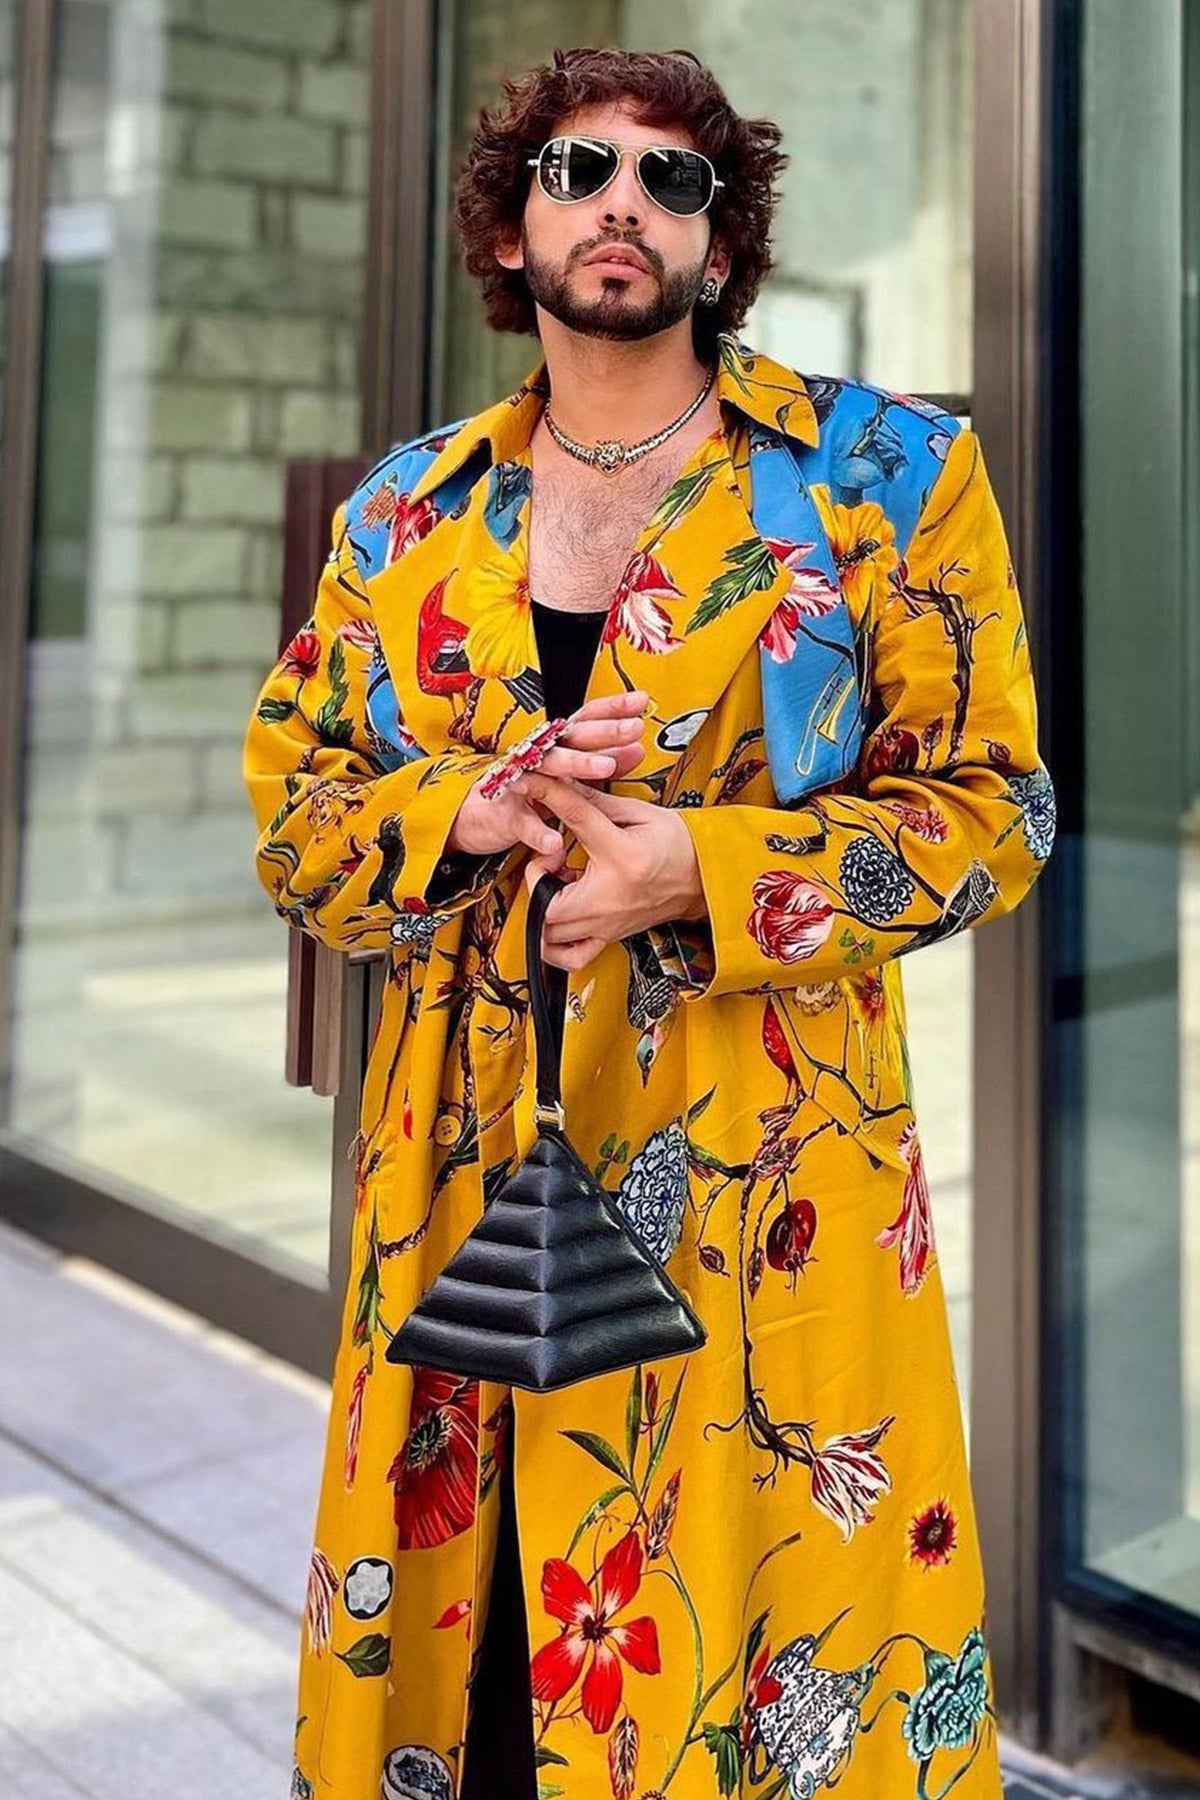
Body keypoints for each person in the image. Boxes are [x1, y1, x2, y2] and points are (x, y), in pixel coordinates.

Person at [242, 45, 1056, 1800]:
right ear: (511, 225)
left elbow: (1000, 813)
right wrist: (467, 809)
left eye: (673, 179)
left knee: (754, 1666)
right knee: (479, 1679)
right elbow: (296, 821)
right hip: (460, 1171)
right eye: (579, 167)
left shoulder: (883, 475)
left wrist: (699, 867)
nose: (624, 202)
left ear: (721, 238)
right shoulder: (405, 512)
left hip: (762, 1172)